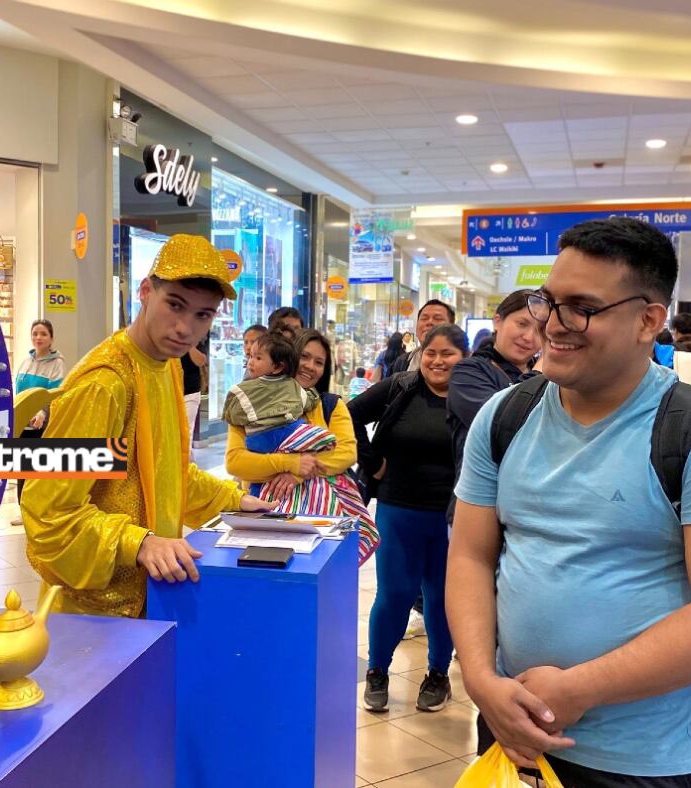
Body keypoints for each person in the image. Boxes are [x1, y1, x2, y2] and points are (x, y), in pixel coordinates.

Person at [449, 216, 691, 784]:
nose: (552, 325)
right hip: (510, 727)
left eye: (582, 308)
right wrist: (480, 679)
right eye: (547, 302)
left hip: (642, 760)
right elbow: (471, 555)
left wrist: (577, 689)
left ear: (649, 320)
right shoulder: (504, 417)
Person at [21, 235, 272, 616]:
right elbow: (49, 513)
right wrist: (138, 543)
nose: (185, 327)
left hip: (145, 604)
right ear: (144, 292)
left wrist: (235, 502)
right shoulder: (103, 384)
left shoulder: (166, 366)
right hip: (92, 616)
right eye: (175, 305)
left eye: (202, 315)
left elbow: (165, 474)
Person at [350, 324, 469, 714]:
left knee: (441, 600)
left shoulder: (473, 398)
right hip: (398, 510)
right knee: (395, 595)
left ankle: (437, 674)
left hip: (452, 517)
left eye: (447, 354)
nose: (437, 361)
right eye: (431, 352)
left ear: (463, 358)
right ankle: (377, 672)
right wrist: (372, 462)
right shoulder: (401, 387)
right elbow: (347, 414)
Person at [225, 329, 377, 562]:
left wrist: (297, 475)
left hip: (318, 522)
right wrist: (291, 463)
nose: (309, 366)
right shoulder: (251, 404)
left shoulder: (330, 406)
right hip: (261, 517)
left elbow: (346, 454)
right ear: (286, 360)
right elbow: (236, 463)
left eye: (319, 362)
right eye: (304, 357)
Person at [446, 289, 542, 507]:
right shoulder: (469, 371)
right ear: (498, 321)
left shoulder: (551, 378)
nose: (529, 337)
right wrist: (538, 373)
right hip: (479, 503)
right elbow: (500, 426)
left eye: (540, 330)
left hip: (531, 506)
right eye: (522, 324)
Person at [221, 331, 319, 459]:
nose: (250, 362)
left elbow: (232, 416)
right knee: (317, 436)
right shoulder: (292, 386)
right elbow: (309, 402)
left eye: (258, 358)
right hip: (289, 435)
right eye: (250, 356)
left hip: (258, 441)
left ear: (278, 367)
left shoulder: (243, 390)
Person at [15, 319, 68, 431]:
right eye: (35, 334)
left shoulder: (57, 364)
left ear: (51, 339)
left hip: (43, 426)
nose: (38, 337)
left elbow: (55, 395)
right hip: (21, 423)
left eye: (44, 334)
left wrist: (43, 413)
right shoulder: (26, 362)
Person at [391, 300, 456, 375]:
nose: (429, 322)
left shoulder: (462, 365)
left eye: (438, 318)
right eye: (424, 318)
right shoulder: (402, 362)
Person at [180, 337, 209, 445]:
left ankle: (185, 461)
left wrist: (188, 344)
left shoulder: (197, 333)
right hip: (169, 390)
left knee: (186, 432)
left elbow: (201, 360)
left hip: (190, 391)